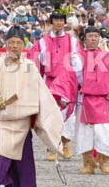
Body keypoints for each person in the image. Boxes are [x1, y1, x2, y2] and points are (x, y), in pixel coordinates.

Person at [0, 25, 64, 187]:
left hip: (23, 118)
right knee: (1, 152)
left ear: (23, 45)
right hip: (4, 117)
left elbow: (41, 93)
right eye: (11, 42)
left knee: (21, 157)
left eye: (18, 43)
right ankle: (1, 185)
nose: (14, 46)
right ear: (6, 44)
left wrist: (49, 112)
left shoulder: (30, 66)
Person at [50, 27, 109, 175]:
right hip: (84, 99)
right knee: (85, 133)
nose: (93, 39)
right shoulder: (76, 57)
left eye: (96, 36)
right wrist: (65, 96)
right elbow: (69, 78)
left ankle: (105, 161)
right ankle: (88, 164)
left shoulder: (107, 57)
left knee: (107, 132)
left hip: (104, 100)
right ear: (84, 39)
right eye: (90, 36)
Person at [26, 8, 80, 161]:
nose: (58, 23)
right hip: (49, 81)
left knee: (68, 114)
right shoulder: (42, 41)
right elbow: (33, 60)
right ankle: (52, 146)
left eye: (61, 20)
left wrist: (80, 80)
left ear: (64, 23)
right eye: (55, 20)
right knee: (50, 114)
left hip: (68, 82)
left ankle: (65, 142)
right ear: (51, 23)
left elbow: (78, 61)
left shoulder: (72, 41)